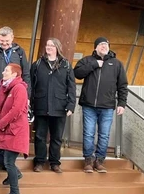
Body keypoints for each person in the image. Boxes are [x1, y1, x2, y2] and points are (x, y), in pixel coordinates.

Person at [74, 37, 128, 173]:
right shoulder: (87, 60)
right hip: (89, 105)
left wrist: (122, 103)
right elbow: (77, 74)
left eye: (106, 44)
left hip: (107, 106)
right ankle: (88, 160)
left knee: (104, 135)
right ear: (95, 47)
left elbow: (122, 85)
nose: (104, 46)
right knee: (88, 133)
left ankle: (99, 161)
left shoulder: (116, 64)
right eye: (101, 44)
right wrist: (94, 65)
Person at [30, 37, 76, 173]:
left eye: (52, 45)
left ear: (57, 48)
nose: (49, 47)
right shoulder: (37, 64)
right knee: (39, 136)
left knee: (56, 137)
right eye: (47, 45)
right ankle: (39, 161)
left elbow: (71, 87)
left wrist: (71, 105)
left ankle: (54, 162)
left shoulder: (66, 65)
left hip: (59, 107)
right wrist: (30, 103)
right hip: (41, 105)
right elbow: (31, 85)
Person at [0, 63, 29, 194]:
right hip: (3, 129)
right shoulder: (4, 87)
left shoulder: (19, 88)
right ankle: (16, 173)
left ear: (14, 74)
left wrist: (1, 123)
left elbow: (16, 110)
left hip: (15, 130)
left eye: (6, 70)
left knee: (9, 162)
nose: (3, 72)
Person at [0, 26, 31, 122]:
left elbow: (25, 73)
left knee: (11, 121)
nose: (4, 43)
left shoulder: (19, 51)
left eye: (7, 40)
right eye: (2, 40)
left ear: (12, 38)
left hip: (14, 93)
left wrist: (27, 95)